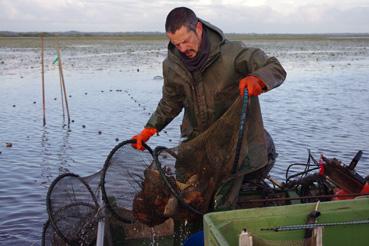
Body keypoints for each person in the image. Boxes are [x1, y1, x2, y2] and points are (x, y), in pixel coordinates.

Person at [131, 6, 286, 242]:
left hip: (234, 146)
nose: (183, 49)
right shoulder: (172, 65)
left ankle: (219, 236)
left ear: (199, 28)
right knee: (185, 202)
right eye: (176, 44)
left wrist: (259, 79)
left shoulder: (233, 53)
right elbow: (170, 102)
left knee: (221, 202)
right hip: (196, 144)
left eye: (186, 41)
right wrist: (149, 129)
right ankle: (190, 238)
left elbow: (276, 68)